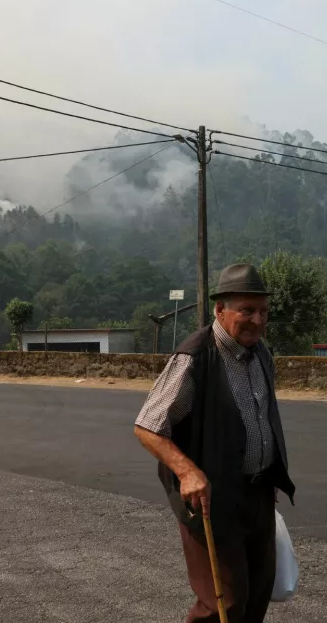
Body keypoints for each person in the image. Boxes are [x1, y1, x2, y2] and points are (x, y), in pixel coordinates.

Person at [134, 263, 296, 623]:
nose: (257, 320)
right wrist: (187, 472)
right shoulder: (194, 358)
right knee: (224, 604)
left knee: (257, 595)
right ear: (220, 309)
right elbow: (148, 427)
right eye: (247, 310)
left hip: (258, 495)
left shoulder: (262, 354)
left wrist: (270, 471)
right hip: (212, 501)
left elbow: (262, 419)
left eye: (264, 311)